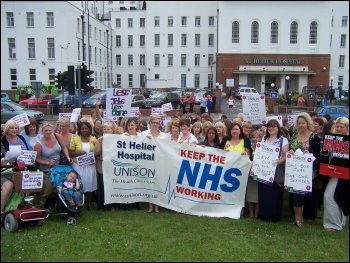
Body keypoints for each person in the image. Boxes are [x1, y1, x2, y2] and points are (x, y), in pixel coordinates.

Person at [288, 112, 321, 227]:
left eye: (303, 123)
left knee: (300, 194)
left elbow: (318, 153)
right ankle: (296, 217)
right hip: (293, 169)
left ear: (307, 123)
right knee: (294, 193)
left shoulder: (313, 137)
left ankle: (299, 218)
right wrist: (290, 151)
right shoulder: (294, 135)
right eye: (299, 123)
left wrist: (310, 153)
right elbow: (290, 147)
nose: (301, 125)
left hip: (306, 170)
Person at [34, 122, 72, 209]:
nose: (48, 132)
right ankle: (49, 204)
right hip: (47, 169)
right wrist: (48, 163)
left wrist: (68, 157)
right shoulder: (38, 144)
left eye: (50, 130)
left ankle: (62, 204)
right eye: (46, 131)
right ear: (42, 131)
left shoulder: (57, 136)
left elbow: (64, 147)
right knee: (51, 189)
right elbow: (36, 159)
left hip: (59, 166)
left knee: (63, 184)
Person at [257, 119, 289, 222]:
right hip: (264, 169)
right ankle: (263, 214)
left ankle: (273, 216)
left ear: (278, 128)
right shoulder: (264, 139)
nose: (271, 128)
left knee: (274, 193)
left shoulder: (283, 140)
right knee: (263, 192)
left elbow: (286, 156)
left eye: (274, 126)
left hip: (276, 169)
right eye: (269, 126)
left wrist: (279, 162)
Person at [220, 121, 252, 218]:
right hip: (226, 170)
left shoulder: (245, 140)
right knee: (226, 190)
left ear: (240, 131)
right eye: (233, 129)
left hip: (240, 171)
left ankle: (240, 211)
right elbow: (219, 153)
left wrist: (245, 155)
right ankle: (225, 208)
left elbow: (249, 156)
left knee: (240, 191)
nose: (234, 131)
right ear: (230, 131)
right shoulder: (225, 140)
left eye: (236, 129)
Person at [1, 120, 30, 224]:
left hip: (19, 168)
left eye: (16, 128)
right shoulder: (3, 141)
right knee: (8, 185)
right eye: (11, 128)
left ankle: (20, 205)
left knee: (26, 182)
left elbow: (28, 152)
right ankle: (1, 211)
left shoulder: (21, 138)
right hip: (4, 170)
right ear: (7, 129)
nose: (14, 130)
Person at [322, 117, 349, 231]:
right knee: (336, 196)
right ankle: (338, 222)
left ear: (346, 128)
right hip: (333, 173)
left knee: (330, 196)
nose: (339, 129)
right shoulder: (331, 139)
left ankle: (333, 224)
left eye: (342, 127)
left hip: (345, 174)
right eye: (337, 126)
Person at [141, 115, 167, 213]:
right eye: (153, 122)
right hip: (148, 162)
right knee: (149, 183)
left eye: (157, 122)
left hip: (160, 162)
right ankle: (150, 205)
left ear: (160, 123)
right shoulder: (143, 134)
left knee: (158, 183)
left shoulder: (164, 136)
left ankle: (157, 205)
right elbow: (136, 143)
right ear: (150, 123)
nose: (155, 124)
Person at [69, 122, 97, 211]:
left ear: (89, 129)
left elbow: (98, 151)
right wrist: (79, 153)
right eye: (82, 128)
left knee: (89, 184)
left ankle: (89, 203)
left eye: (86, 128)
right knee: (79, 184)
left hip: (90, 166)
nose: (84, 130)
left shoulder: (94, 139)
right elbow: (70, 153)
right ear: (79, 130)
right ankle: (78, 202)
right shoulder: (75, 139)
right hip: (78, 166)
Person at [94, 121, 118, 211]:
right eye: (105, 129)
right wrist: (99, 143)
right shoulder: (100, 139)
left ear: (112, 130)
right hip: (102, 167)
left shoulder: (116, 139)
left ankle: (111, 205)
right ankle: (101, 205)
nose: (106, 130)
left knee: (112, 186)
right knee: (102, 186)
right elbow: (96, 152)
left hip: (113, 167)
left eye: (108, 129)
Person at [248, 129, 264, 218]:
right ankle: (251, 213)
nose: (255, 139)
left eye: (257, 137)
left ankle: (256, 212)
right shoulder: (250, 147)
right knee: (250, 193)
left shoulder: (264, 148)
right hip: (250, 172)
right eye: (253, 137)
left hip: (260, 173)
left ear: (261, 138)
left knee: (258, 194)